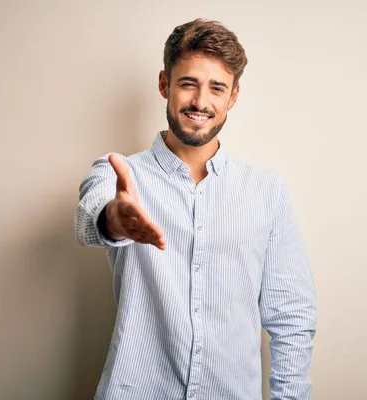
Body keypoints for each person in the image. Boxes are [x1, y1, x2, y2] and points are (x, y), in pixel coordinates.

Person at [75, 18, 317, 400]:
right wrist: (115, 220)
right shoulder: (119, 172)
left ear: (233, 96)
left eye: (216, 88)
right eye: (188, 83)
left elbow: (292, 316)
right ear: (164, 84)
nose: (201, 102)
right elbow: (90, 216)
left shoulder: (267, 192)